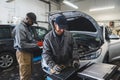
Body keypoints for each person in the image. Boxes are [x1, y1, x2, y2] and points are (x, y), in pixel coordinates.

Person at [12, 12, 40, 80]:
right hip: (23, 53)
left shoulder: (26, 27)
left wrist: (37, 42)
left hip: (28, 52)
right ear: (27, 18)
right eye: (32, 21)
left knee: (29, 70)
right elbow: (21, 44)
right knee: (24, 73)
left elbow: (29, 39)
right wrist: (36, 45)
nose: (32, 23)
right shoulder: (20, 28)